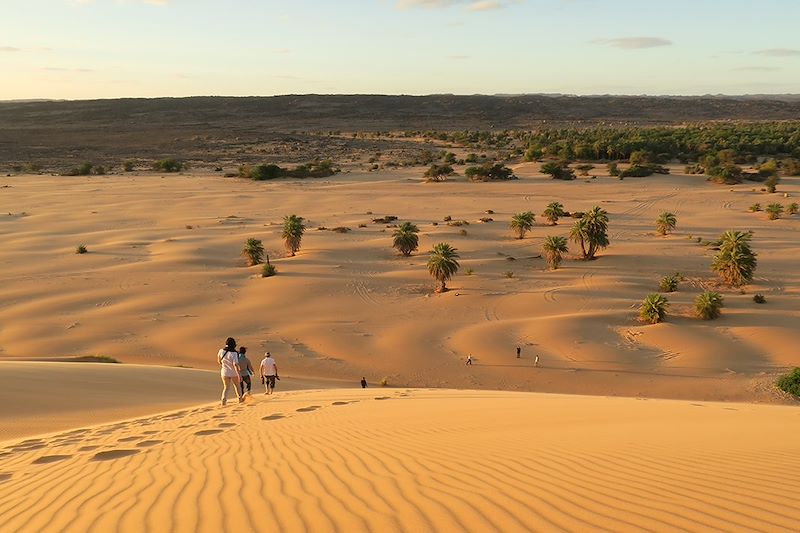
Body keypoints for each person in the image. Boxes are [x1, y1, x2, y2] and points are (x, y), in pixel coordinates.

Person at [218, 337, 243, 406]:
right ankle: (240, 400)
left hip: (224, 372)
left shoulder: (221, 351)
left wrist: (225, 365)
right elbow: (235, 364)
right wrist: (239, 375)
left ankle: (223, 400)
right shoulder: (234, 353)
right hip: (233, 373)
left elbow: (219, 361)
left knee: (226, 387)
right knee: (237, 386)